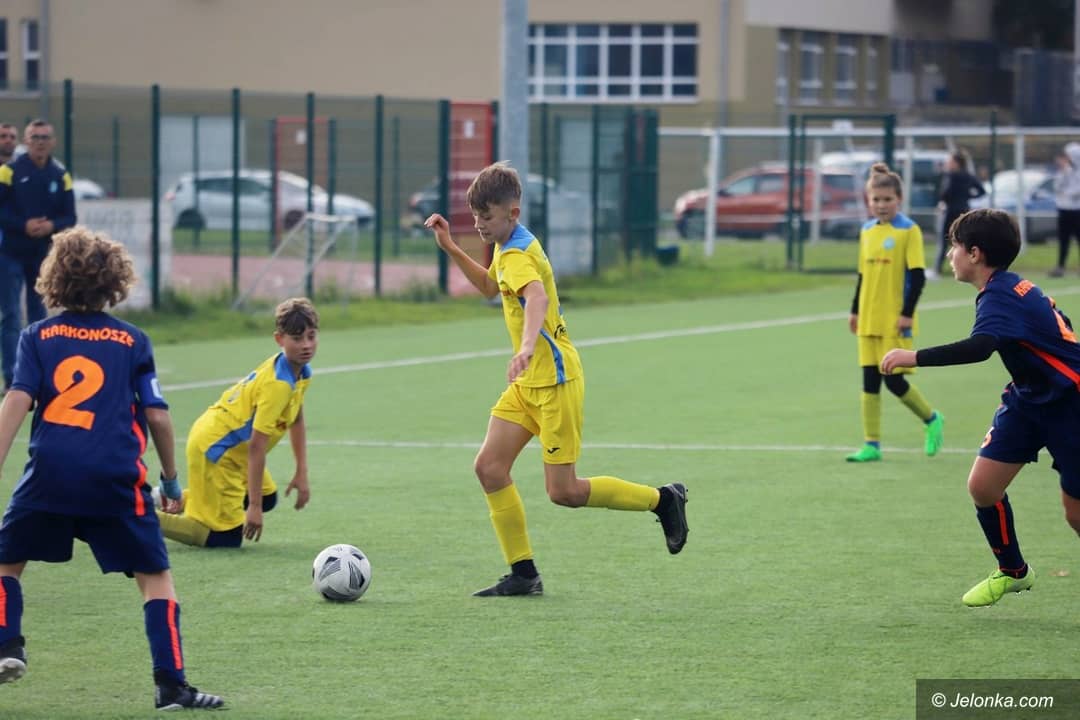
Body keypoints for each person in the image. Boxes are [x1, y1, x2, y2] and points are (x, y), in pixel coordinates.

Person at [424, 162, 688, 597]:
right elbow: (491, 288)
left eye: (486, 217)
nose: (479, 225)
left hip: (555, 383)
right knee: (490, 468)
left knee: (564, 492)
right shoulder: (510, 243)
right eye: (475, 217)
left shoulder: (516, 254)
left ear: (512, 212)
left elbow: (536, 298)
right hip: (528, 384)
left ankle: (662, 500)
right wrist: (451, 246)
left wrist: (527, 346)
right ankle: (523, 573)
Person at [0, 227, 223, 709]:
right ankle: (171, 685)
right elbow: (157, 416)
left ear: (54, 278)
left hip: (50, 474)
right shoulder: (133, 340)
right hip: (115, 477)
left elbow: (16, 400)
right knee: (154, 577)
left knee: (6, 563)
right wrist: (170, 480)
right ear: (115, 281)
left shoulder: (36, 336)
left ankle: (6, 644)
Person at [882, 208, 1080, 606]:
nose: (949, 254)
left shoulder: (1001, 295)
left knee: (1075, 514)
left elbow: (980, 347)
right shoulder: (1006, 288)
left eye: (954, 246)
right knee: (983, 487)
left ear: (975, 253)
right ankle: (1013, 571)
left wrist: (913, 356)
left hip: (1070, 404)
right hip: (1028, 399)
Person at [155, 297, 316, 548]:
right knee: (225, 537)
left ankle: (167, 498)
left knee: (268, 497)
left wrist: (301, 472)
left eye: (311, 336)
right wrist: (254, 507)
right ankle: (136, 514)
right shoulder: (278, 385)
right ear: (279, 339)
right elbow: (257, 447)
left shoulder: (301, 371)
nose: (306, 345)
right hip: (217, 449)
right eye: (297, 339)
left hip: (231, 447)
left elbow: (296, 418)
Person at [846, 162, 944, 463]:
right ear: (868, 200)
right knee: (869, 381)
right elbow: (863, 275)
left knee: (893, 380)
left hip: (894, 319)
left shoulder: (908, 230)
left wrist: (907, 313)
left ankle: (931, 419)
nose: (881, 205)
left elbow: (917, 276)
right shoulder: (866, 231)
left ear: (899, 199)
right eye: (876, 199)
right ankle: (871, 444)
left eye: (887, 199)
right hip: (868, 318)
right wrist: (855, 310)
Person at [0, 119, 77, 391]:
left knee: (39, 316)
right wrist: (24, 225)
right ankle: (12, 378)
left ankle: (38, 374)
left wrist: (50, 226)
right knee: (11, 315)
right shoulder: (9, 172)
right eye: (35, 137)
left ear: (52, 142)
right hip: (9, 254)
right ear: (27, 141)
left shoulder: (60, 175)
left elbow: (70, 216)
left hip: (42, 257)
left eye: (45, 137)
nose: (40, 142)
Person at [934, 150, 985, 277]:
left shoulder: (951, 176)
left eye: (950, 161)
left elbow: (946, 193)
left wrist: (943, 200)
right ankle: (969, 267)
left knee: (944, 239)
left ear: (956, 163)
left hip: (951, 211)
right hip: (964, 211)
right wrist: (968, 196)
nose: (947, 163)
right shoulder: (969, 176)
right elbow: (981, 191)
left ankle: (937, 269)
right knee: (964, 240)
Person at [1049, 142, 1080, 278]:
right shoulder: (1065, 171)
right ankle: (1060, 267)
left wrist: (1067, 194)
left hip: (1077, 210)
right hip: (1064, 209)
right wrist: (1064, 172)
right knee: (1063, 240)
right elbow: (1057, 187)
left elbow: (1076, 191)